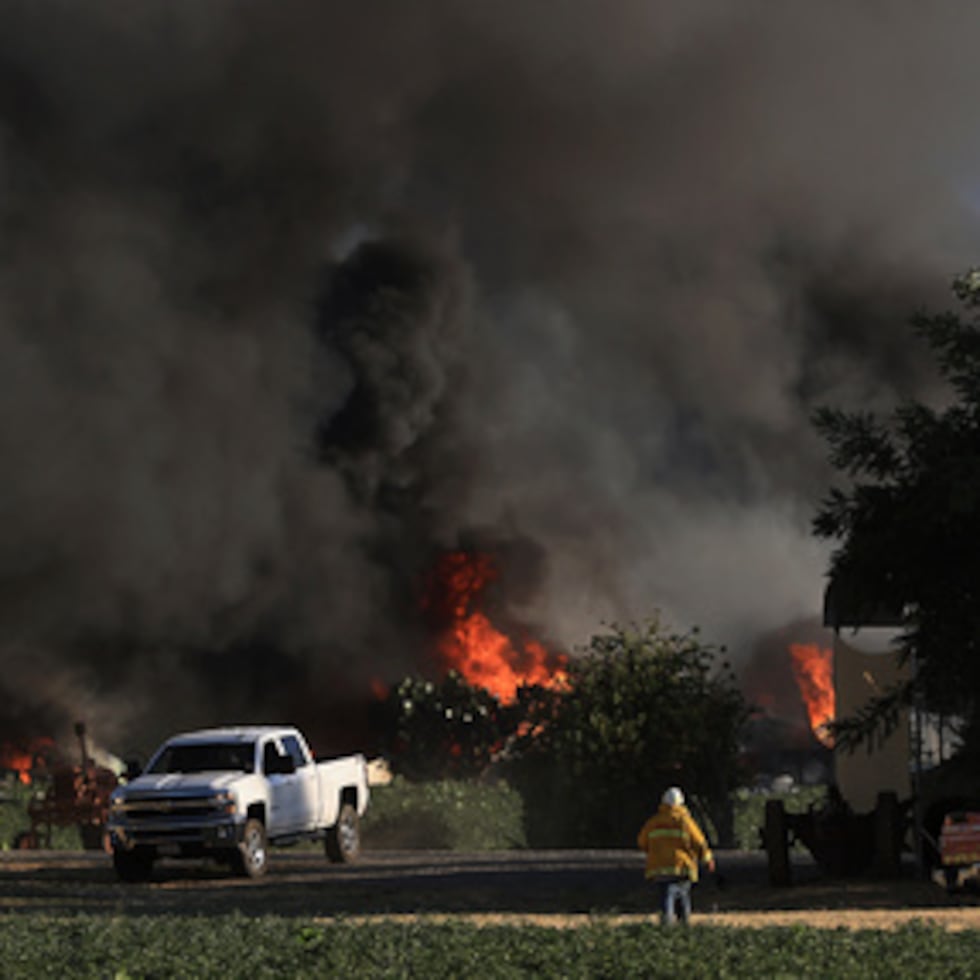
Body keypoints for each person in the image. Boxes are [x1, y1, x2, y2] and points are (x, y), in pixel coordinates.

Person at [637, 786, 715, 925]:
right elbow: (699, 842)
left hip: (660, 869)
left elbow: (642, 842)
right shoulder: (686, 822)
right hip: (682, 868)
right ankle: (684, 926)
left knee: (666, 897)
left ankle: (666, 927)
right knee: (683, 896)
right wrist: (707, 859)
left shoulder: (653, 823)